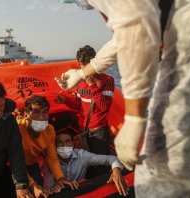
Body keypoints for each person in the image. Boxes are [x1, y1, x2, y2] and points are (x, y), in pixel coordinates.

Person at [56, 0, 190, 197]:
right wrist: (83, 74)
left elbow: (135, 26)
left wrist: (135, 118)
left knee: (166, 177)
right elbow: (123, 38)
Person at [56, 45, 115, 177]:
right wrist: (65, 100)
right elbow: (79, 105)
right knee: (87, 166)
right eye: (81, 65)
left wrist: (92, 85)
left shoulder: (108, 81)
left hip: (98, 133)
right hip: (83, 131)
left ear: (94, 63)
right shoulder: (80, 81)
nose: (83, 70)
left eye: (86, 65)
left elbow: (104, 106)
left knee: (101, 167)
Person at [16, 95, 79, 197]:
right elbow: (15, 163)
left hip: (32, 164)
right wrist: (32, 185)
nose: (41, 118)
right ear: (26, 114)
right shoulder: (17, 129)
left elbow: (52, 158)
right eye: (36, 112)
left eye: (45, 112)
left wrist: (60, 178)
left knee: (41, 191)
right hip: (13, 167)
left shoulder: (50, 130)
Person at [43, 127, 128, 196]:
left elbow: (111, 159)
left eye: (67, 141)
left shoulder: (82, 155)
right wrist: (55, 187)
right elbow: (48, 189)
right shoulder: (49, 162)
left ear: (73, 144)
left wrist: (117, 170)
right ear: (54, 146)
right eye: (60, 142)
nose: (64, 145)